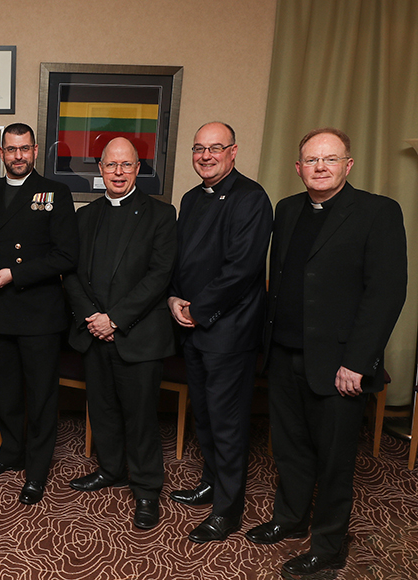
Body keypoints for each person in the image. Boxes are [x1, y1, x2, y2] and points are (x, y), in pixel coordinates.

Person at [245, 128, 407, 577]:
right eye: (311, 160)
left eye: (330, 159)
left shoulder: (377, 212)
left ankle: (330, 545)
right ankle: (290, 517)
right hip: (282, 355)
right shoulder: (288, 209)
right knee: (290, 448)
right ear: (298, 168)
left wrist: (358, 361)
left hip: (339, 365)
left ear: (347, 165)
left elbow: (386, 294)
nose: (319, 167)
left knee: (335, 460)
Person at [167, 122, 273, 543]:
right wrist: (174, 299)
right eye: (199, 148)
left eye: (215, 148)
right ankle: (210, 482)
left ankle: (227, 511)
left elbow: (242, 269)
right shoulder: (191, 198)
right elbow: (181, 261)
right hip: (192, 327)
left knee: (228, 423)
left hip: (229, 331)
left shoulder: (251, 198)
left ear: (233, 152)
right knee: (206, 417)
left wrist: (197, 308)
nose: (205, 155)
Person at [64, 138, 177, 529]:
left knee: (141, 417)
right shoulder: (85, 215)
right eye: (111, 165)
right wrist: (94, 317)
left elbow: (159, 276)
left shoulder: (162, 215)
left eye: (125, 165)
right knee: (104, 408)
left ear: (138, 168)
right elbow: (72, 273)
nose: (117, 172)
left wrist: (114, 318)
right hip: (93, 332)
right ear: (99, 167)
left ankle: (146, 490)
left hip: (139, 335)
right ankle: (110, 469)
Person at [0, 122, 78, 505]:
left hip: (38, 313)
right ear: (2, 153)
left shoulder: (56, 192)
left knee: (42, 395)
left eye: (25, 149)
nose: (18, 156)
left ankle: (36, 468)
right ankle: (11, 451)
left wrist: (15, 274)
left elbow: (66, 255)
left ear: (35, 151)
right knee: (8, 391)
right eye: (11, 149)